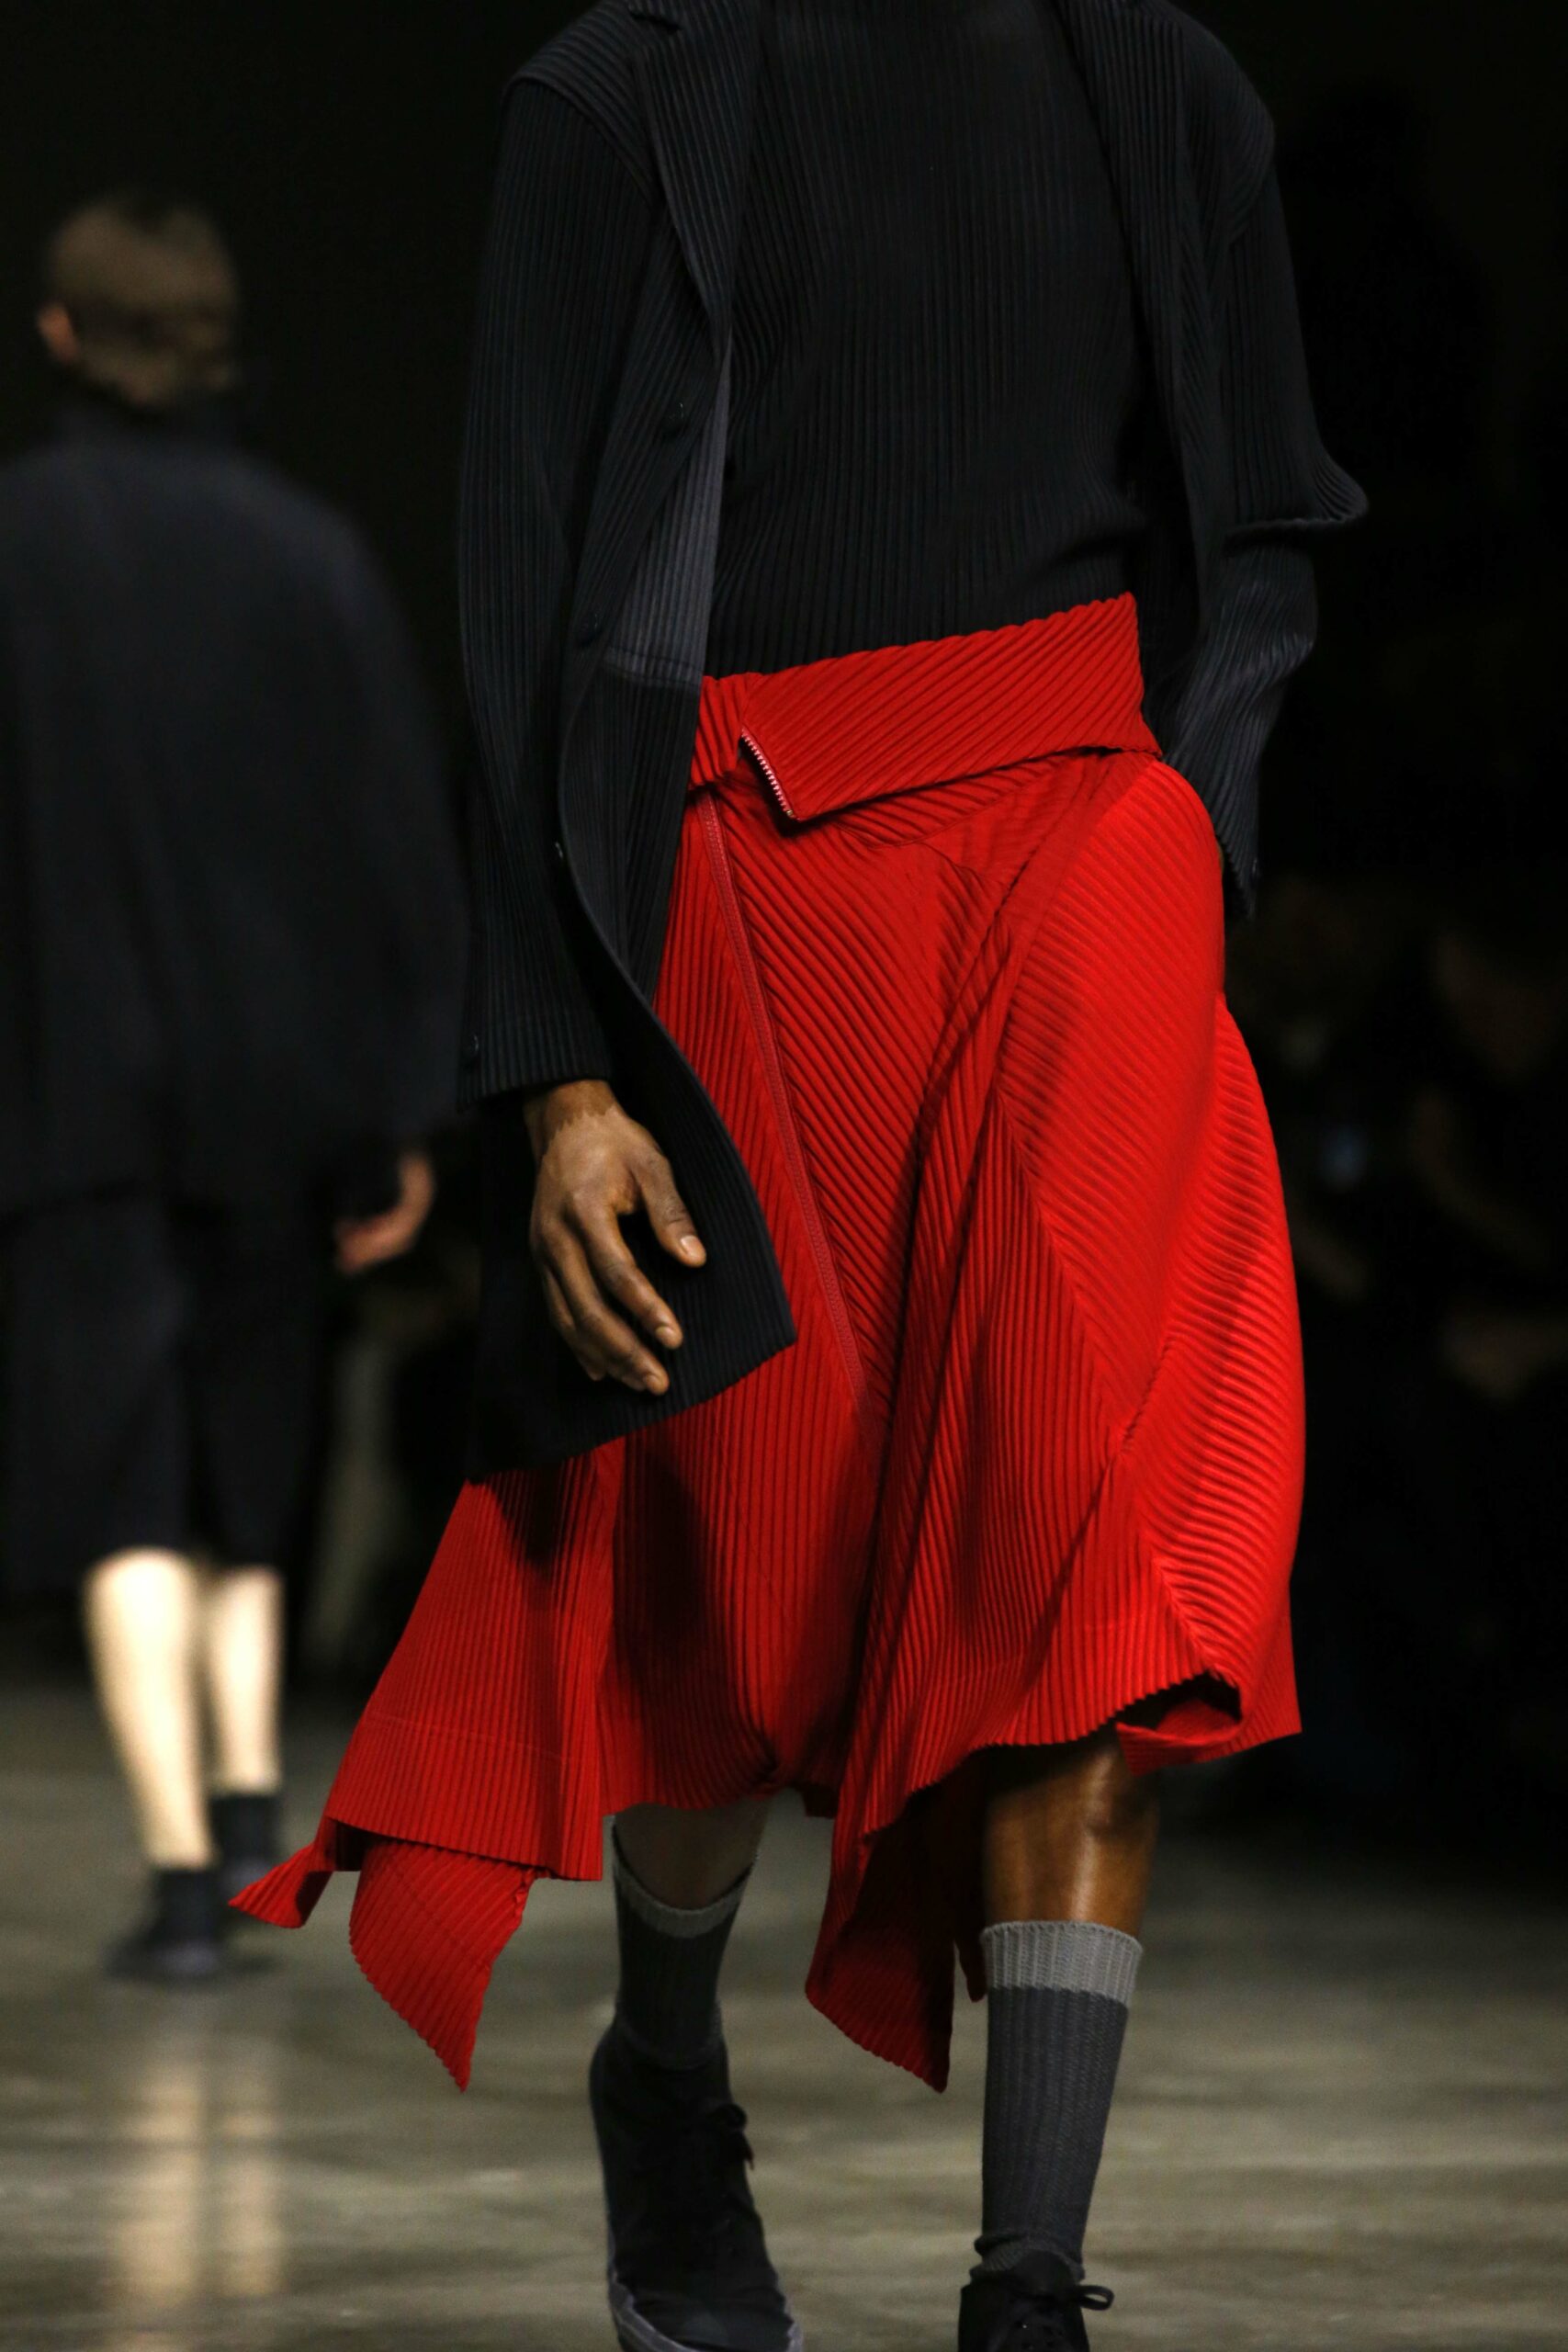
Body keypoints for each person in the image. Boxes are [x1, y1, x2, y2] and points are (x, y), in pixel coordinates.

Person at [241, 2, 1363, 2342]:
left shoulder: (1159, 84)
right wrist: (557, 1073)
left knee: (1093, 1563)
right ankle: (666, 2071)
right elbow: (521, 598)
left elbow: (1260, 521)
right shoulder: (619, 94)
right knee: (729, 1609)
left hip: (1075, 860)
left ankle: (1025, 2283)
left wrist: (1183, 836)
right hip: (734, 888)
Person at [0, 192, 466, 1983]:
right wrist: (404, 1112)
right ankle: (257, 1797)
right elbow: (400, 845)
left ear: (61, 336)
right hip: (288, 1100)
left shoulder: (24, 543)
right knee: (247, 1459)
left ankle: (186, 1877)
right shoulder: (313, 559)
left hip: (79, 1088)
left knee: (123, 1479)